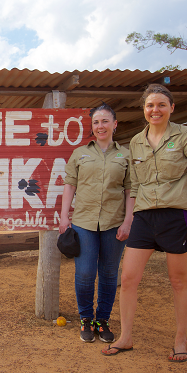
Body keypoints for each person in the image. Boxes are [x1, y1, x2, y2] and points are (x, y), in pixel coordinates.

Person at [101, 84, 187, 362]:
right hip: (143, 218)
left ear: (171, 108)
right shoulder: (136, 144)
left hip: (176, 217)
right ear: (144, 109)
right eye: (150, 105)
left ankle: (180, 339)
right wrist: (129, 219)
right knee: (127, 278)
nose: (155, 110)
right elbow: (136, 186)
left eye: (161, 105)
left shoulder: (186, 135)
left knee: (178, 281)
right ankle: (126, 337)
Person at [59, 103, 134, 343]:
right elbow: (70, 184)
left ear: (114, 124)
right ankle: (85, 319)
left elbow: (130, 189)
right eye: (96, 122)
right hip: (84, 222)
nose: (100, 126)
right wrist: (64, 217)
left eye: (104, 121)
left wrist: (128, 221)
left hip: (114, 222)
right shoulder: (80, 153)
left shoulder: (126, 155)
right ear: (92, 127)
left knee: (110, 274)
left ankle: (102, 321)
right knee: (85, 274)